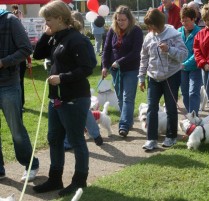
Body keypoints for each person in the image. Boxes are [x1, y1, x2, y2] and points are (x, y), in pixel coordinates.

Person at [32, 0, 94, 196]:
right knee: (54, 138)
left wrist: (62, 78)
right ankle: (55, 178)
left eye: (48, 20)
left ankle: (79, 181)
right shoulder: (56, 37)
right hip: (57, 98)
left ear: (60, 18)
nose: (46, 23)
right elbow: (38, 54)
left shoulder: (77, 40)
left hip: (74, 98)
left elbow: (87, 67)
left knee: (76, 140)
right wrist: (46, 33)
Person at [139, 8, 188, 151]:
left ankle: (171, 136)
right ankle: (151, 139)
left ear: (158, 23)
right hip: (153, 77)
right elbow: (144, 57)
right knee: (151, 108)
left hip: (171, 76)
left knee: (170, 107)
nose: (150, 28)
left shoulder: (174, 35)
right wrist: (141, 77)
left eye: (151, 25)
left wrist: (169, 50)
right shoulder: (148, 37)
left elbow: (184, 55)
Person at [0, 8, 39, 181]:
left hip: (8, 84)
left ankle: (31, 164)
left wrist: (3, 62)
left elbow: (26, 49)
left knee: (16, 129)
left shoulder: (10, 20)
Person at [63, 11, 104, 150]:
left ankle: (70, 141)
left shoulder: (83, 40)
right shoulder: (64, 40)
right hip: (67, 81)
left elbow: (92, 62)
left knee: (76, 112)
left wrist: (79, 71)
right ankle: (95, 134)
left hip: (77, 82)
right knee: (81, 111)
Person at [102, 5, 143, 137]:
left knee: (127, 98)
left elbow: (136, 52)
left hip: (131, 69)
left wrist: (120, 62)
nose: (120, 22)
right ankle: (129, 121)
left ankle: (123, 125)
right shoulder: (112, 31)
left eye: (123, 20)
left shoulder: (136, 31)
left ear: (129, 19)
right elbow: (106, 49)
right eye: (118, 20)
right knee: (120, 98)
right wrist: (104, 66)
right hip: (115, 70)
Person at [178, 7, 202, 114]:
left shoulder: (200, 33)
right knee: (184, 92)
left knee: (193, 92)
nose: (184, 23)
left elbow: (197, 53)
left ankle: (194, 116)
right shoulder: (178, 32)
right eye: (182, 20)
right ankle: (190, 114)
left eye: (186, 20)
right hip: (182, 69)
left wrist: (185, 64)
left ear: (193, 19)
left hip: (195, 68)